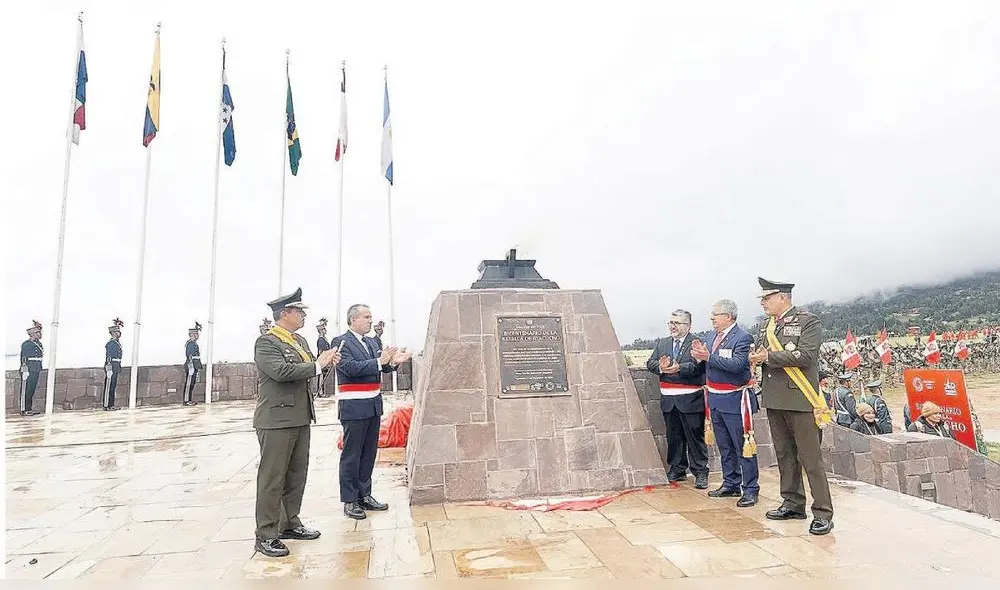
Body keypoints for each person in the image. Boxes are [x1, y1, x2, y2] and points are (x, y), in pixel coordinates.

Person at [252, 287, 341, 557]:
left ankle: (289, 522)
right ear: (285, 314)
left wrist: (323, 363)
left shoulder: (299, 341)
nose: (303, 315)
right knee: (272, 478)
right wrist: (317, 365)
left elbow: (304, 370)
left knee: (296, 474)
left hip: (300, 416)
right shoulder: (267, 342)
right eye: (299, 311)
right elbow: (280, 372)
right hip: (276, 419)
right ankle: (265, 534)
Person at [749, 277, 834, 535]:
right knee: (784, 455)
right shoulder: (767, 325)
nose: (763, 303)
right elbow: (763, 353)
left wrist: (769, 357)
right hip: (775, 399)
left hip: (801, 399)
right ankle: (793, 502)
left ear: (783, 297)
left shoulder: (808, 322)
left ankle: (823, 512)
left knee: (810, 458)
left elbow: (806, 356)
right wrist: (757, 358)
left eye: (767, 298)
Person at [336, 303, 410, 520]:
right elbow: (350, 368)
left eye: (370, 317)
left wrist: (392, 364)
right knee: (352, 455)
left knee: (369, 454)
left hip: (373, 405)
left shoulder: (370, 341)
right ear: (353, 320)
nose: (370, 320)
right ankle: (350, 501)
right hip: (354, 406)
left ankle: (364, 495)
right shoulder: (341, 342)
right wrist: (380, 361)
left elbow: (379, 366)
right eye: (366, 317)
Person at [691, 299, 758, 506]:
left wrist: (708, 357)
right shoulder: (711, 336)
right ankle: (730, 483)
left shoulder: (743, 337)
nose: (712, 319)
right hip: (716, 399)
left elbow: (738, 365)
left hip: (735, 399)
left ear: (728, 316)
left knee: (743, 446)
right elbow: (708, 364)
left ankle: (750, 489)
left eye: (716, 315)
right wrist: (699, 357)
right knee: (725, 446)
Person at [645, 309, 709, 489]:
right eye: (671, 322)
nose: (672, 326)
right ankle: (678, 468)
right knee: (674, 437)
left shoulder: (696, 343)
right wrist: (660, 366)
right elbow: (650, 363)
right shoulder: (663, 343)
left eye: (677, 323)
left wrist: (678, 368)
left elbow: (699, 366)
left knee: (695, 437)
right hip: (669, 400)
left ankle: (700, 471)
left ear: (688, 325)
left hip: (690, 399)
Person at [19, 320, 44, 416]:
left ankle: (29, 408)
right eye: (37, 332)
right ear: (32, 333)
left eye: (39, 332)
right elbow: (24, 358)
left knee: (32, 389)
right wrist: (25, 370)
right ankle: (24, 409)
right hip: (29, 369)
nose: (39, 334)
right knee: (27, 390)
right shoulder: (26, 344)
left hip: (36, 368)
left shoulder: (39, 344)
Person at [103, 318, 124, 411]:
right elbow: (109, 357)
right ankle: (107, 405)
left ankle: (111, 404)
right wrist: (109, 369)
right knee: (109, 387)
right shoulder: (111, 343)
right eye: (117, 332)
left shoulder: (116, 343)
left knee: (113, 386)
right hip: (111, 367)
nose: (119, 333)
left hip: (116, 366)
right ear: (113, 333)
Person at [183, 321, 202, 406]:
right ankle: (186, 400)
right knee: (188, 384)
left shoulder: (194, 344)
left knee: (192, 383)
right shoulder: (190, 343)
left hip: (195, 365)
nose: (197, 336)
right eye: (196, 334)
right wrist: (191, 367)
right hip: (191, 365)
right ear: (192, 335)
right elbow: (189, 356)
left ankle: (189, 399)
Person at [315, 318, 332, 398]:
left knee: (323, 376)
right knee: (321, 377)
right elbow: (321, 352)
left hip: (325, 358)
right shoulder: (321, 339)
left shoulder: (324, 339)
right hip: (322, 359)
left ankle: (322, 392)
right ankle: (320, 392)